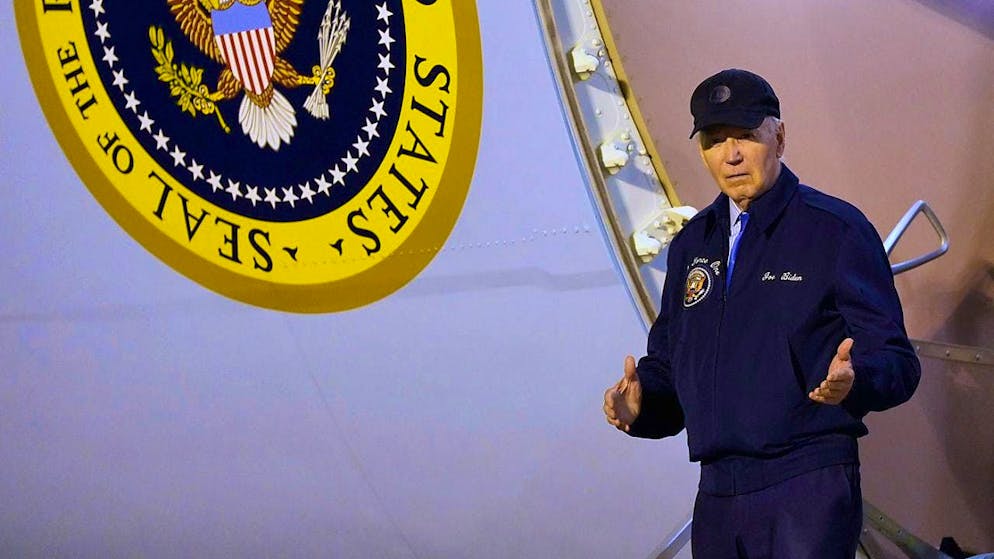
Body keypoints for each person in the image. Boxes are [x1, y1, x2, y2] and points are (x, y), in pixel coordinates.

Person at [603, 69, 921, 558]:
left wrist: (855, 379)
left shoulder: (834, 229)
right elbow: (669, 365)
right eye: (714, 140)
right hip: (717, 494)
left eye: (746, 136)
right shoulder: (692, 244)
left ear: (779, 137)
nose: (730, 154)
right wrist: (641, 406)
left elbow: (897, 361)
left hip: (806, 484)